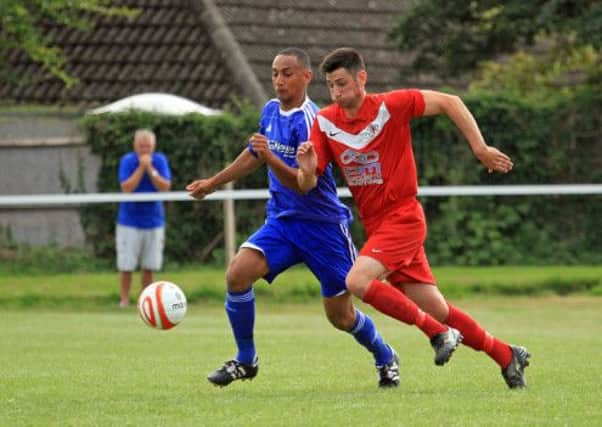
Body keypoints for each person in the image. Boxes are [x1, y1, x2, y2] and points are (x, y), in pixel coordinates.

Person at [296, 47, 531, 389]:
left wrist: (479, 148)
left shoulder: (391, 106)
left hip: (403, 217)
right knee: (438, 308)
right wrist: (304, 171)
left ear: (362, 78)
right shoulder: (325, 122)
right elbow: (308, 183)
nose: (336, 92)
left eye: (343, 83)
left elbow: (451, 102)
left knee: (356, 282)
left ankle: (437, 335)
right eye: (331, 86)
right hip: (378, 225)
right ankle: (506, 355)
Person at [187, 48, 421, 388]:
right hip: (282, 223)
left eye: (287, 73)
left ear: (306, 77)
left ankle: (385, 355)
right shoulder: (270, 110)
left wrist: (269, 156)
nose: (279, 80)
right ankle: (246, 359)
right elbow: (255, 153)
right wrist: (212, 184)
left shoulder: (314, 120)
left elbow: (302, 183)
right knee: (237, 274)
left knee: (341, 317)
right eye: (274, 74)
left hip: (323, 228)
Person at [116, 129, 172, 307]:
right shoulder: (127, 160)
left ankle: (145, 301)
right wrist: (141, 167)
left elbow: (164, 186)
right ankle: (124, 300)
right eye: (141, 146)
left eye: (147, 146)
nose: (144, 149)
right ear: (135, 145)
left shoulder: (160, 160)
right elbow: (127, 187)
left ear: (153, 146)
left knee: (149, 265)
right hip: (129, 222)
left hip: (154, 221)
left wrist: (150, 169)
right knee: (126, 265)